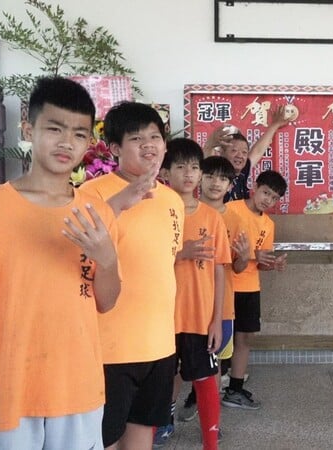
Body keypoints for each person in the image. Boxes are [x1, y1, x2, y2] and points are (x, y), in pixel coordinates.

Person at [0, 77, 120, 450]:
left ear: (89, 142)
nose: (66, 142)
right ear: (28, 129)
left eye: (79, 134)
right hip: (6, 388)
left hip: (78, 388)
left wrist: (106, 260)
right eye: (54, 129)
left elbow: (106, 302)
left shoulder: (97, 213)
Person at [80, 101, 185, 450]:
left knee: (142, 431)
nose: (149, 145)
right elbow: (76, 258)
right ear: (114, 148)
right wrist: (120, 203)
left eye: (155, 137)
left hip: (159, 343)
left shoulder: (172, 200)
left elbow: (164, 265)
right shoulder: (92, 193)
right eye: (137, 138)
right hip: (109, 347)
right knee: (105, 438)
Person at [152, 139, 230, 449]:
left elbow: (219, 269)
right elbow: (141, 261)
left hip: (200, 317)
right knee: (161, 380)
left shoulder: (212, 217)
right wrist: (180, 253)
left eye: (195, 167)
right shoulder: (155, 211)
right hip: (161, 318)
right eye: (181, 166)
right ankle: (162, 423)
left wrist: (217, 319)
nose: (188, 173)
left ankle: (211, 439)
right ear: (165, 172)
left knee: (205, 379)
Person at [178, 155, 252, 422]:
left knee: (213, 361)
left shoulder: (236, 219)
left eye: (223, 179)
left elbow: (237, 267)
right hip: (180, 303)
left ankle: (209, 417)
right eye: (210, 176)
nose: (215, 183)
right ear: (200, 179)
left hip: (220, 305)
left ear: (231, 186)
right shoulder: (176, 210)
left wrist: (244, 257)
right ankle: (172, 411)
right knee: (173, 363)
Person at [221, 170, 288, 410]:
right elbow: (220, 250)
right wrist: (253, 255)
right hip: (225, 286)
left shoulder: (268, 224)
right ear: (255, 188)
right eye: (266, 193)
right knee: (220, 341)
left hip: (250, 288)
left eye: (274, 198)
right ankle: (202, 392)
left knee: (245, 338)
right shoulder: (230, 210)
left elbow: (261, 263)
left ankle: (235, 389)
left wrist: (273, 264)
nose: (268, 200)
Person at [203, 105, 293, 201]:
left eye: (244, 152)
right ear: (222, 153)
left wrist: (275, 125)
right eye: (234, 150)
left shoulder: (242, 172)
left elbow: (258, 150)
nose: (240, 156)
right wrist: (210, 144)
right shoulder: (214, 173)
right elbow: (206, 159)